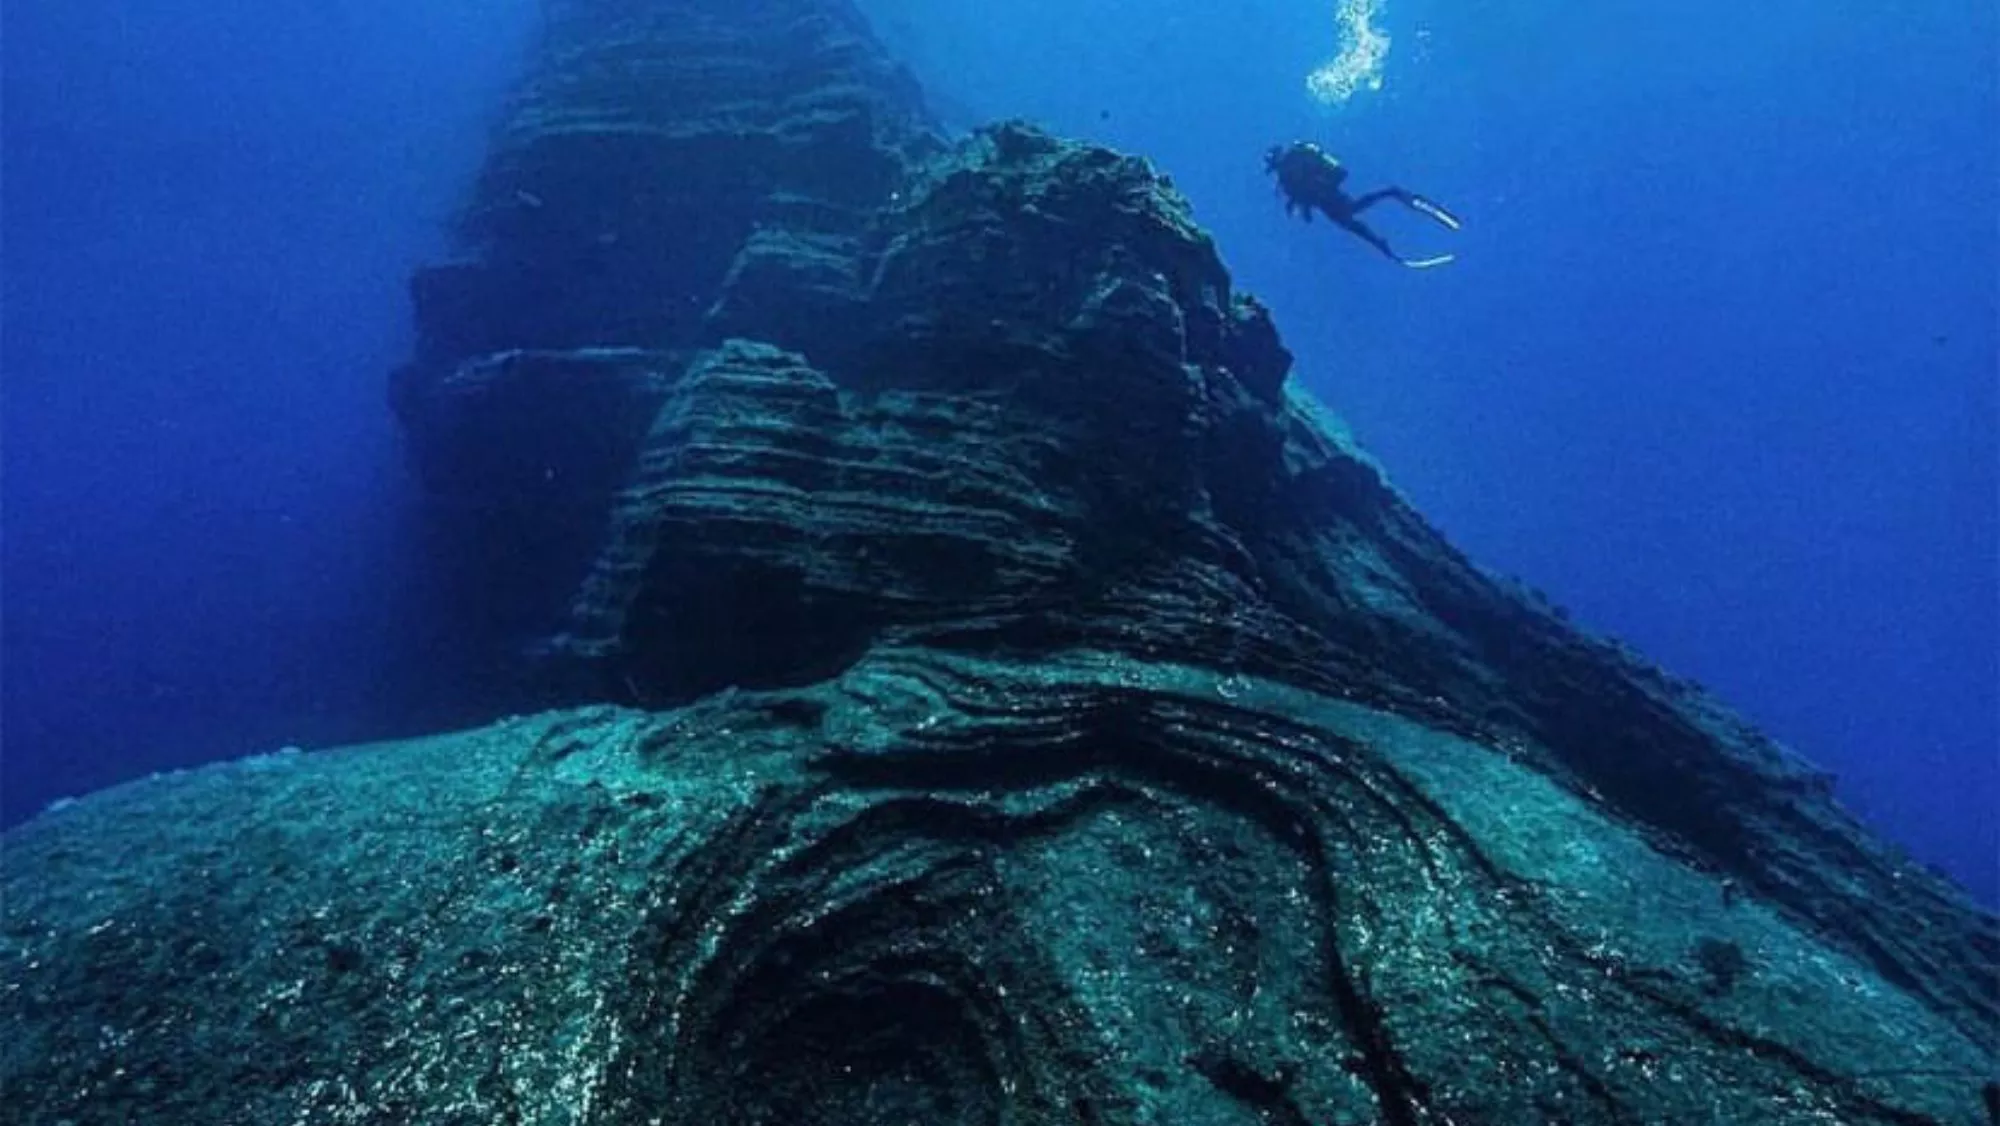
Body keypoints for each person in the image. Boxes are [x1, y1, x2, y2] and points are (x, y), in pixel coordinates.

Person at [1265, 141, 1461, 269]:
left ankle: (1390, 199)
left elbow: (1307, 197)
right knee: (1352, 220)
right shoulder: (1288, 178)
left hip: (1330, 198)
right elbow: (1304, 201)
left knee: (1352, 217)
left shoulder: (1292, 171)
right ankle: (1384, 240)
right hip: (1328, 202)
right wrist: (1302, 207)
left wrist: (1303, 205)